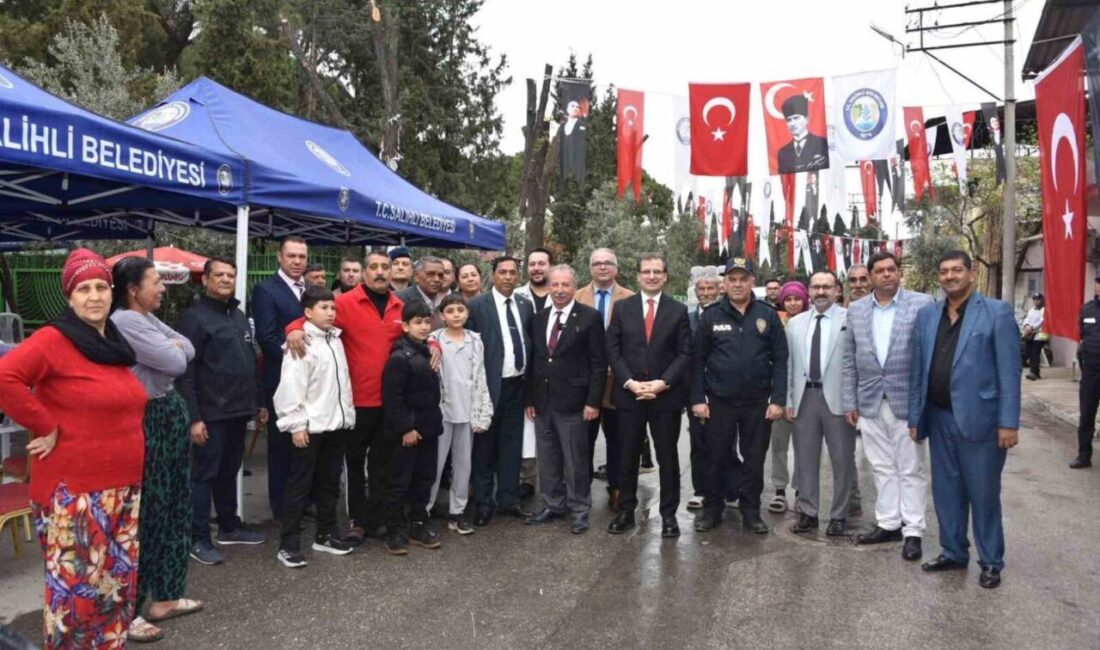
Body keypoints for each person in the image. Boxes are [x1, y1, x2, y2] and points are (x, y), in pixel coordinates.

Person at [0, 248, 147, 648]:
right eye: (84, 289)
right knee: (77, 598)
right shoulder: (54, 339)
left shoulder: (111, 342)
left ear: (112, 292)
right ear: (69, 297)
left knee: (114, 589)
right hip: (76, 493)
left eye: (101, 286)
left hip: (123, 487)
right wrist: (45, 425)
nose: (94, 296)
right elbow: (6, 376)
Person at [908, 250, 1021, 589]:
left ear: (971, 273)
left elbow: (1009, 372)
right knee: (946, 492)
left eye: (957, 270)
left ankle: (991, 561)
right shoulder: (927, 315)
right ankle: (954, 551)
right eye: (944, 271)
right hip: (939, 417)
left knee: (983, 494)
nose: (950, 276)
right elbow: (918, 370)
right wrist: (915, 416)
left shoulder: (997, 313)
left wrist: (1008, 422)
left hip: (981, 421)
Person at [110, 257, 202, 642]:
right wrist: (173, 347)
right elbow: (175, 361)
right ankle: (130, 609)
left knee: (176, 505)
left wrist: (174, 347)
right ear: (133, 289)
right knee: (149, 512)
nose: (163, 288)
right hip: (147, 417)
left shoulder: (146, 318)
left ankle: (166, 595)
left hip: (168, 411)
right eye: (155, 282)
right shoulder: (125, 321)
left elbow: (188, 348)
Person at [286, 251, 406, 544]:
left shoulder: (399, 305)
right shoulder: (345, 303)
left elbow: (417, 331)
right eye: (374, 267)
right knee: (354, 466)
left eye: (385, 267)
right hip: (355, 403)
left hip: (389, 401)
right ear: (364, 272)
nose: (380, 272)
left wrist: (434, 345)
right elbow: (310, 317)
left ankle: (376, 519)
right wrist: (293, 330)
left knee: (381, 464)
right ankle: (357, 521)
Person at [178, 258, 268, 565]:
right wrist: (194, 418)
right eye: (219, 274)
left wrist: (258, 403)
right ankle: (198, 538)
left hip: (239, 410)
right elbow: (185, 373)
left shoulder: (238, 316)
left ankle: (229, 526)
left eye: (231, 275)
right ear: (205, 279)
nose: (226, 279)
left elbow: (250, 362)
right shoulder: (193, 318)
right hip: (210, 412)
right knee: (204, 476)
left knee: (229, 471)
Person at [843, 252, 932, 561]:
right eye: (879, 271)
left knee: (911, 469)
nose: (886, 275)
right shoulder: (856, 310)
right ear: (870, 277)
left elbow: (929, 357)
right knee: (881, 467)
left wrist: (923, 404)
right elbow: (849, 359)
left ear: (899, 272)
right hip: (868, 401)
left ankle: (913, 530)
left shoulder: (922, 304)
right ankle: (889, 523)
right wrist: (849, 400)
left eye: (891, 269)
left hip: (906, 401)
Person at [692, 258, 788, 534]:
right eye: (732, 279)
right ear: (724, 283)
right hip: (719, 401)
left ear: (752, 282)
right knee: (716, 457)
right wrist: (698, 398)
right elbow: (697, 360)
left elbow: (781, 359)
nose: (737, 284)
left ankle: (751, 510)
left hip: (757, 403)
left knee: (754, 459)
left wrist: (778, 400)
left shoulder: (768, 315)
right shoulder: (712, 315)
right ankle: (713, 509)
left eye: (743, 279)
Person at [606, 254, 692, 538]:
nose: (652, 276)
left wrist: (663, 383)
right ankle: (625, 511)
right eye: (647, 271)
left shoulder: (678, 310)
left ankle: (668, 516)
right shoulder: (622, 308)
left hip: (664, 396)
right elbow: (613, 349)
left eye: (657, 272)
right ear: (638, 276)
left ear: (665, 276)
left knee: (667, 458)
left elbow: (684, 353)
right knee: (627, 456)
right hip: (629, 395)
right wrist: (629, 382)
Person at [272, 285, 356, 568]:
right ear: (307, 312)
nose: (330, 313)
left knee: (329, 485)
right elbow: (291, 387)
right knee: (299, 486)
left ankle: (326, 534)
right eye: (324, 308)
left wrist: (347, 417)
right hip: (309, 428)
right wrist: (296, 425)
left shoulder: (335, 339)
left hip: (336, 425)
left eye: (333, 308)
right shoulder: (301, 342)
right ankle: (288, 545)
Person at [525, 265, 607, 534]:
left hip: (575, 403)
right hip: (542, 402)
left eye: (565, 285)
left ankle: (580, 509)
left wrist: (593, 402)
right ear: (549, 286)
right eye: (555, 284)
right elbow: (535, 361)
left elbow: (598, 364)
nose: (560, 290)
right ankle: (552, 504)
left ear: (575, 286)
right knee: (548, 458)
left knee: (575, 461)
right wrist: (530, 398)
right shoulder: (538, 318)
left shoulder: (590, 317)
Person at [785, 271, 854, 537]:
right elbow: (789, 365)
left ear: (837, 290)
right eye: (816, 287)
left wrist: (854, 401)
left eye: (826, 286)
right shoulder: (795, 323)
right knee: (805, 460)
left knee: (842, 461)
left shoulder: (850, 319)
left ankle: (839, 516)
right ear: (809, 291)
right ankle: (808, 512)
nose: (821, 292)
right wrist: (789, 399)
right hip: (805, 399)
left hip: (839, 399)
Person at [466, 256, 534, 526]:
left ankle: (509, 500)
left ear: (518, 276)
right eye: (502, 272)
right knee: (484, 448)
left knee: (511, 446)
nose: (507, 277)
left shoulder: (525, 305)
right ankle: (484, 504)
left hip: (517, 387)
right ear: (492, 275)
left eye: (512, 272)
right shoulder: (476, 306)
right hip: (488, 388)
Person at [381, 300, 445, 555]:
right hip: (408, 432)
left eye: (427, 322)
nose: (423, 327)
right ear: (405, 326)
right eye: (417, 322)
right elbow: (393, 398)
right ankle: (394, 529)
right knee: (400, 481)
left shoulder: (427, 350)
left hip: (429, 427)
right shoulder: (400, 357)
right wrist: (406, 428)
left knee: (424, 478)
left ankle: (418, 524)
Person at [252, 236, 308, 521]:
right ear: (279, 257)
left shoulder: (311, 290)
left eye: (302, 256)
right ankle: (281, 507)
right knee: (281, 445)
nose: (297, 261)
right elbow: (267, 337)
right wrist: (299, 362)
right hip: (282, 378)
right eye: (291, 256)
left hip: (311, 381)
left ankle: (302, 502)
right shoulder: (265, 290)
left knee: (306, 443)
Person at [428, 294, 493, 535]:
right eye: (450, 311)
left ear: (467, 313)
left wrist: (483, 410)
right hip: (442, 413)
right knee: (434, 464)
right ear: (442, 315)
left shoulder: (475, 340)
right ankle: (423, 511)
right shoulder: (434, 339)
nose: (456, 315)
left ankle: (457, 512)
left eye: (460, 310)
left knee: (463, 465)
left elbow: (481, 375)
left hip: (467, 411)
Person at [576, 247, 635, 510]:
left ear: (616, 268)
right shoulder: (576, 297)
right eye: (597, 263)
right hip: (584, 383)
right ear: (590, 268)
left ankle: (617, 489)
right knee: (582, 440)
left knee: (618, 440)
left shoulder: (631, 299)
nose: (602, 267)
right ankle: (581, 491)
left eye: (608, 263)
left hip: (617, 383)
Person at [767, 280, 808, 514]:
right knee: (778, 445)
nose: (793, 303)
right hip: (779, 393)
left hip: (806, 395)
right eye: (788, 299)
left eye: (797, 299)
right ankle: (779, 490)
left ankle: (802, 491)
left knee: (804, 447)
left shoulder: (813, 321)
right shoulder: (774, 321)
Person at [687, 272, 721, 511]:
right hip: (695, 390)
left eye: (711, 288)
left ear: (719, 291)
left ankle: (726, 489)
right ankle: (700, 490)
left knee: (725, 444)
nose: (706, 293)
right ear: (695, 292)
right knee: (698, 443)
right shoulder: (686, 319)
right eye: (702, 289)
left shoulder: (725, 316)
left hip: (723, 391)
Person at [1073, 274, 1100, 469]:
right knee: (1086, 414)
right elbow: (1082, 336)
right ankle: (1083, 456)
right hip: (1091, 371)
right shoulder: (1087, 309)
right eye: (1099, 283)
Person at [776, 94, 829, 174]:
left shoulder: (822, 143)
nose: (792, 124)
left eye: (796, 118)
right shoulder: (783, 152)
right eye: (789, 120)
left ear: (807, 119)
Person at [396, 256, 447, 329]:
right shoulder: (399, 299)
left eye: (440, 275)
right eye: (430, 274)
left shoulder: (445, 302)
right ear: (416, 276)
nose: (437, 279)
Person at [516, 247, 553, 312]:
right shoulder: (515, 295)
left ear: (551, 267)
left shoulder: (562, 296)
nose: (536, 268)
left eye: (541, 264)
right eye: (532, 264)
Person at [1021, 293, 1047, 381]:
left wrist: (1032, 328)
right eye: (1034, 299)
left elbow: (1041, 321)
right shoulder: (1032, 310)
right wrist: (1026, 326)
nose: (1036, 301)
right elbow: (1027, 319)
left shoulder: (1044, 310)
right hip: (1030, 334)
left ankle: (1033, 372)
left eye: (1038, 299)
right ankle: (1036, 372)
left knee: (1035, 352)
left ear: (1042, 300)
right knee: (1028, 352)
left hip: (1040, 334)